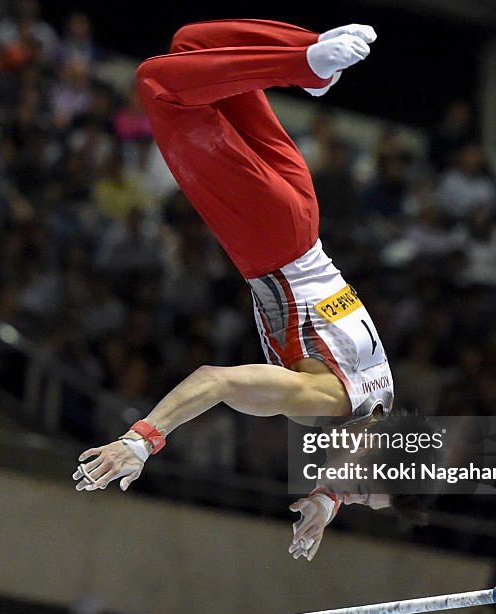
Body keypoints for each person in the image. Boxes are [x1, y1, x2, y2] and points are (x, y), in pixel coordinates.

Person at [73, 20, 418, 560]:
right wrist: (141, 439)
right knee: (157, 85)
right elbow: (214, 381)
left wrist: (328, 499)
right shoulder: (323, 400)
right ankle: (306, 65)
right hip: (267, 236)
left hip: (302, 213)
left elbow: (370, 448)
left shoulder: (385, 395)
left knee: (192, 43)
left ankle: (310, 60)